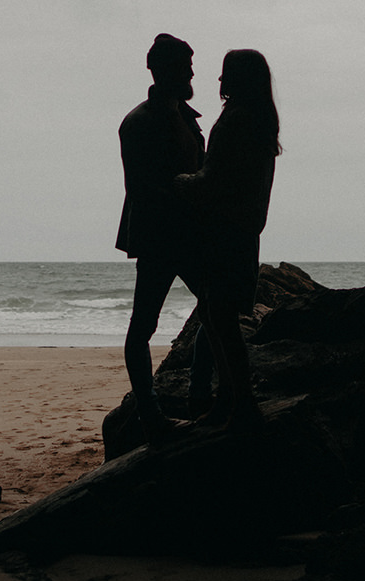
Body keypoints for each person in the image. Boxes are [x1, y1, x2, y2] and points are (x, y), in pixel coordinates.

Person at [176, 48, 280, 433]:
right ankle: (229, 401)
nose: (218, 82)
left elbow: (213, 180)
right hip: (245, 230)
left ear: (237, 79)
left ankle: (239, 404)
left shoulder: (236, 120)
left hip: (224, 231)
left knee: (218, 317)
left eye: (224, 74)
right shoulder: (261, 120)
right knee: (217, 315)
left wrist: (179, 181)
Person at [115, 33, 207, 444]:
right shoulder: (139, 123)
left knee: (217, 306)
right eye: (185, 65)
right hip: (159, 237)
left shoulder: (186, 117)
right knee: (142, 328)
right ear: (161, 70)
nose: (191, 72)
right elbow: (142, 188)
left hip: (188, 234)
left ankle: (200, 397)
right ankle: (151, 413)